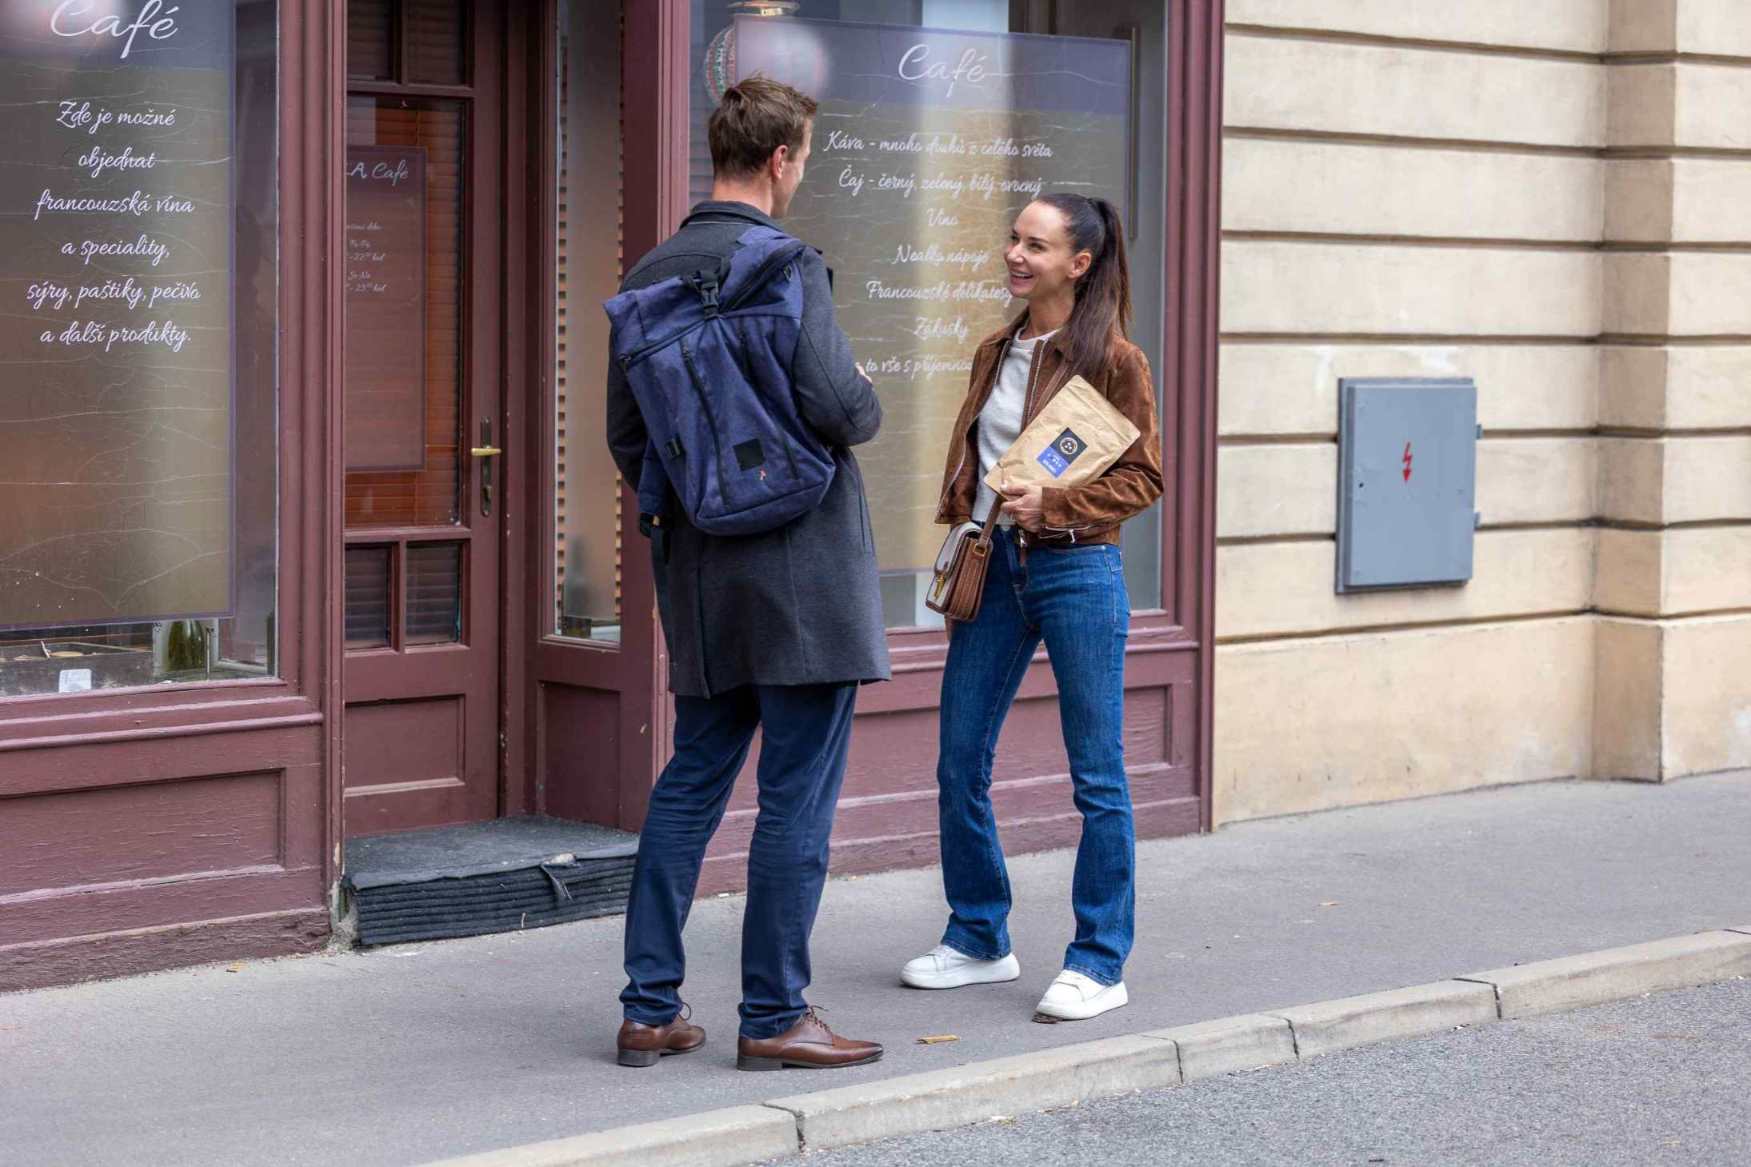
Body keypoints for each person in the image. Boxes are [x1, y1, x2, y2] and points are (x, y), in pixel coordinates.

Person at [606, 77, 888, 1071]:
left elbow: (624, 438)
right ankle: (773, 1015)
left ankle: (648, 1007)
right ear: (780, 160)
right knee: (795, 794)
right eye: (803, 157)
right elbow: (837, 408)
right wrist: (864, 395)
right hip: (803, 569)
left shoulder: (645, 273)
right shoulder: (787, 263)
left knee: (690, 779)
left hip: (699, 572)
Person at [900, 193, 1163, 1021]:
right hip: (992, 568)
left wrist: (1050, 503)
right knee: (958, 759)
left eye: (1035, 245)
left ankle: (1098, 958)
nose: (1014, 254)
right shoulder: (994, 349)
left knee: (1096, 773)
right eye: (1013, 239)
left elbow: (1143, 477)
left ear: (1078, 264)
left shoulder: (1115, 360)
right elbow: (973, 462)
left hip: (1077, 570)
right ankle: (979, 935)